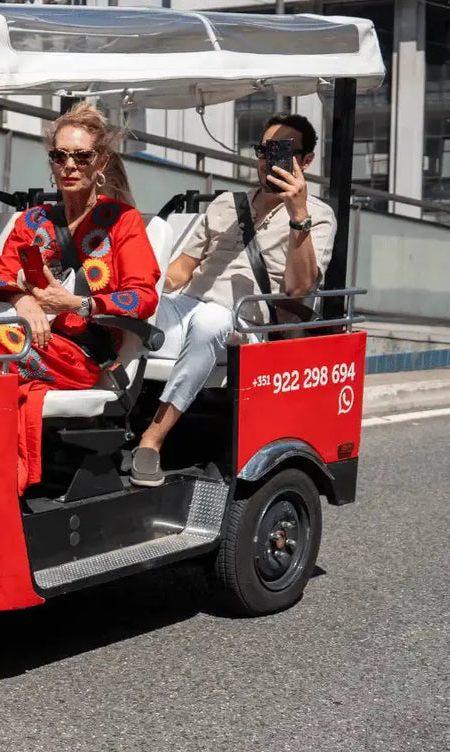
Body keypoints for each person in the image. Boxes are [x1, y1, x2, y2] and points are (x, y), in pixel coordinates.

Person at [0, 102, 160, 494]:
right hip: (26, 335)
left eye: (82, 156)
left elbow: (142, 298)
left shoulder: (123, 221)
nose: (70, 165)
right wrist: (22, 302)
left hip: (79, 353)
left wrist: (76, 304)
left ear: (101, 163)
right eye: (60, 156)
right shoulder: (33, 221)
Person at [129, 113, 336, 487]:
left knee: (211, 322)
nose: (267, 159)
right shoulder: (227, 203)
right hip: (189, 306)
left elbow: (299, 289)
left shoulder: (318, 217)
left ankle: (152, 439)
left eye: (281, 151)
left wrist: (298, 213)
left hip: (245, 326)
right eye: (264, 149)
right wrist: (145, 286)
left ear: (305, 161)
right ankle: (102, 419)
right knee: (127, 306)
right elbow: (183, 269)